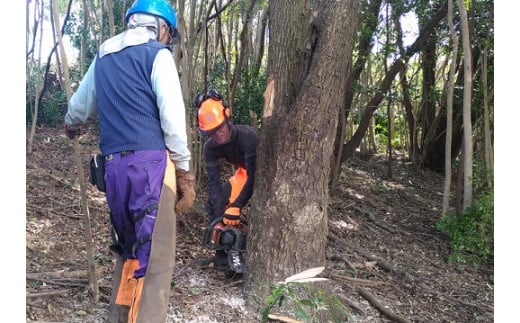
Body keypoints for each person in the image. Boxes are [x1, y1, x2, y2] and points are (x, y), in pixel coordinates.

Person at [63, 0, 196, 322]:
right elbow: (172, 119)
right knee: (157, 260)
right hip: (150, 166)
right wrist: (185, 171)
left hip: (113, 170)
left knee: (130, 251)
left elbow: (79, 108)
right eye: (168, 32)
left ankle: (119, 316)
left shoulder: (104, 55)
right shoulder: (157, 55)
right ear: (160, 26)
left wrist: (71, 124)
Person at [196, 89, 258, 270]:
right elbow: (214, 185)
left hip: (265, 175)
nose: (217, 135)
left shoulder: (248, 138)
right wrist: (220, 219)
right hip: (244, 172)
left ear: (227, 118)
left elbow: (254, 177)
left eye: (219, 128)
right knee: (215, 204)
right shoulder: (210, 148)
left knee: (236, 209)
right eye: (212, 133)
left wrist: (236, 206)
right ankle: (222, 256)